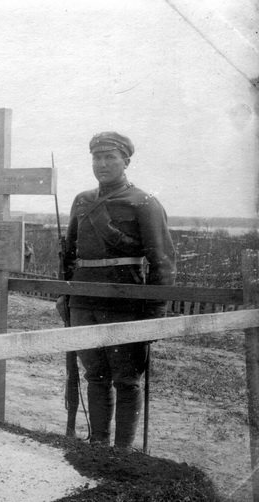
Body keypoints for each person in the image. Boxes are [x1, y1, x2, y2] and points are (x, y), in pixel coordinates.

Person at [58, 131, 176, 449]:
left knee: (125, 379)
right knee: (94, 375)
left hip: (126, 303)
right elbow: (69, 255)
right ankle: (98, 443)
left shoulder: (144, 202)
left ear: (126, 160)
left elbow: (163, 262)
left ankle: (122, 450)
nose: (102, 164)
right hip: (83, 302)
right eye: (97, 157)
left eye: (110, 157)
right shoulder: (82, 201)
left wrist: (154, 315)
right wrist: (65, 296)